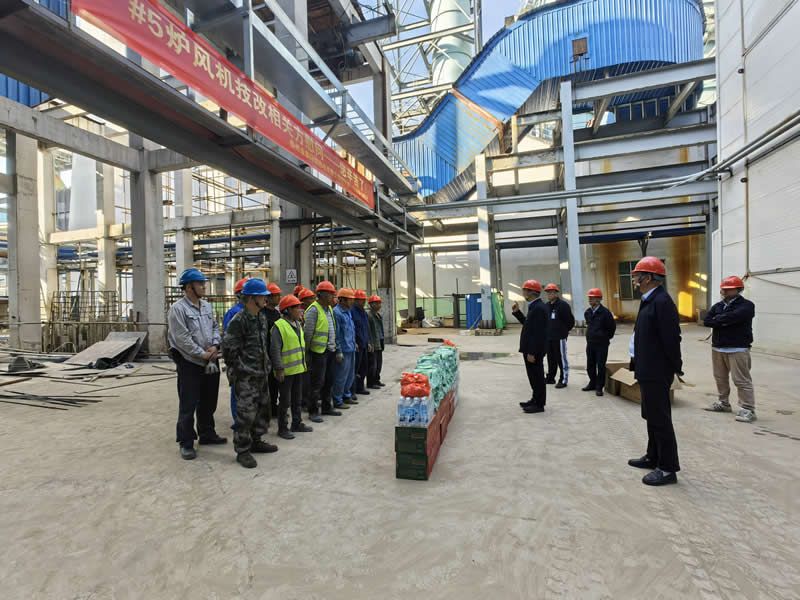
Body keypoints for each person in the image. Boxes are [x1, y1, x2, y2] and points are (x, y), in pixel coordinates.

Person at [627, 257, 683, 486]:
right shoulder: (649, 300)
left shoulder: (662, 302)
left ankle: (668, 468)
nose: (634, 280)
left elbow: (672, 339)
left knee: (660, 420)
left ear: (648, 278)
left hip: (657, 370)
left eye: (637, 276)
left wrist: (675, 367)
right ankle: (653, 456)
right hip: (647, 368)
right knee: (651, 416)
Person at [167, 268, 226, 460]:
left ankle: (207, 433)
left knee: (209, 400)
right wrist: (202, 354)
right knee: (188, 403)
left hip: (210, 359)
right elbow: (182, 339)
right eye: (200, 283)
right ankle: (186, 442)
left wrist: (215, 345)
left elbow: (215, 327)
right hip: (190, 363)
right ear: (188, 287)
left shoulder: (207, 306)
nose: (204, 286)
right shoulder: (178, 309)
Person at [222, 278, 278, 468]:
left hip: (261, 373)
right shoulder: (239, 320)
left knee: (262, 411)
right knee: (245, 415)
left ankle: (256, 441)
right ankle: (243, 450)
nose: (265, 299)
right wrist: (238, 370)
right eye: (262, 297)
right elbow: (229, 349)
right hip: (245, 376)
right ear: (252, 298)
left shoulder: (260, 317)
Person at [703, 276, 757, 423]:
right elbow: (707, 321)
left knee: (741, 380)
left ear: (738, 289)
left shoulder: (747, 306)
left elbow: (736, 317)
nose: (724, 291)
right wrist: (725, 320)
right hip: (718, 347)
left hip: (737, 348)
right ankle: (723, 403)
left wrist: (719, 320)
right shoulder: (718, 306)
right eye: (723, 289)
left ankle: (748, 408)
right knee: (720, 377)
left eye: (728, 289)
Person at [270, 294, 314, 440]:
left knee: (297, 399)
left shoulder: (297, 324)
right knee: (285, 401)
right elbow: (275, 349)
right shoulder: (279, 326)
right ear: (287, 310)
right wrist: (279, 368)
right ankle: (282, 428)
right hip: (286, 371)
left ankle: (297, 423)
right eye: (297, 307)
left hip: (298, 369)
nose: (300, 310)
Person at [304, 281, 340, 421]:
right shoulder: (313, 310)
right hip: (318, 352)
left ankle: (326, 407)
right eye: (331, 295)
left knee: (329, 380)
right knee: (316, 383)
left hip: (329, 350)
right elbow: (308, 334)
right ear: (323, 295)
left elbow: (332, 329)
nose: (333, 298)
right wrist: (307, 354)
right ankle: (313, 411)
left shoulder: (329, 309)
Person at [512, 280, 549, 414]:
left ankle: (539, 404)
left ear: (531, 292)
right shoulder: (535, 306)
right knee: (533, 376)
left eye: (524, 290)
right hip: (531, 348)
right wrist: (517, 313)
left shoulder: (538, 308)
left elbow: (538, 333)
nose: (523, 292)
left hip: (534, 350)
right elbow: (529, 325)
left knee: (537, 376)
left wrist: (532, 352)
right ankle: (535, 399)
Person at [223, 276, 250, 425]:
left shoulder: (254, 312)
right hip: (239, 361)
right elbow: (228, 341)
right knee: (238, 392)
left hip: (251, 361)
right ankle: (238, 422)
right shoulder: (234, 313)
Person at [582, 288, 616, 396]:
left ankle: (599, 387)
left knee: (600, 366)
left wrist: (604, 337)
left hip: (601, 344)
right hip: (590, 343)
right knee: (590, 365)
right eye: (589, 298)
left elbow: (611, 328)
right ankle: (592, 383)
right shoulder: (587, 312)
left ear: (599, 299)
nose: (590, 300)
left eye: (592, 298)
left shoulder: (605, 313)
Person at [544, 283, 575, 388]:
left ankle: (563, 379)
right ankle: (550, 377)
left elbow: (570, 322)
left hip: (560, 337)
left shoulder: (563, 306)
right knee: (551, 359)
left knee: (561, 359)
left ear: (556, 293)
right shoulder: (546, 306)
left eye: (551, 292)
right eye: (548, 292)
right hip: (549, 337)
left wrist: (563, 332)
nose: (549, 294)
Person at [332, 288, 357, 409]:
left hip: (350, 347)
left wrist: (354, 342)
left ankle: (346, 395)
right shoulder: (337, 313)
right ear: (342, 300)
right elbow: (336, 334)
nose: (352, 301)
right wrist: (338, 351)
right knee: (340, 377)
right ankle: (337, 400)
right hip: (343, 349)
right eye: (350, 299)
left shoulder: (348, 311)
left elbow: (351, 329)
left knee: (349, 375)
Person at [262, 282, 283, 428]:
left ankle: (274, 409)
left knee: (276, 384)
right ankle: (267, 411)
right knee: (268, 385)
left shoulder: (277, 313)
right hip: (266, 355)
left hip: (277, 353)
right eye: (276, 295)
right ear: (268, 297)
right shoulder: (262, 314)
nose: (278, 298)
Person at [351, 289, 372, 397]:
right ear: (355, 300)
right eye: (361, 300)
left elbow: (366, 328)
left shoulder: (363, 312)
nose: (363, 302)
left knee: (364, 367)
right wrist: (354, 342)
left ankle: (360, 387)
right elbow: (352, 329)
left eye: (364, 300)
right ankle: (352, 390)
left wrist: (368, 342)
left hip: (363, 344)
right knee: (355, 369)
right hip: (357, 345)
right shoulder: (352, 312)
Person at [367, 295, 385, 389]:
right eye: (376, 303)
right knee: (372, 364)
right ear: (371, 304)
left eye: (379, 303)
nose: (378, 305)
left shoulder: (378, 315)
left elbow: (380, 330)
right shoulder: (369, 316)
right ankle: (371, 382)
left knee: (379, 363)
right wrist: (369, 343)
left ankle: (377, 380)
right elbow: (368, 331)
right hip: (373, 342)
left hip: (379, 341)